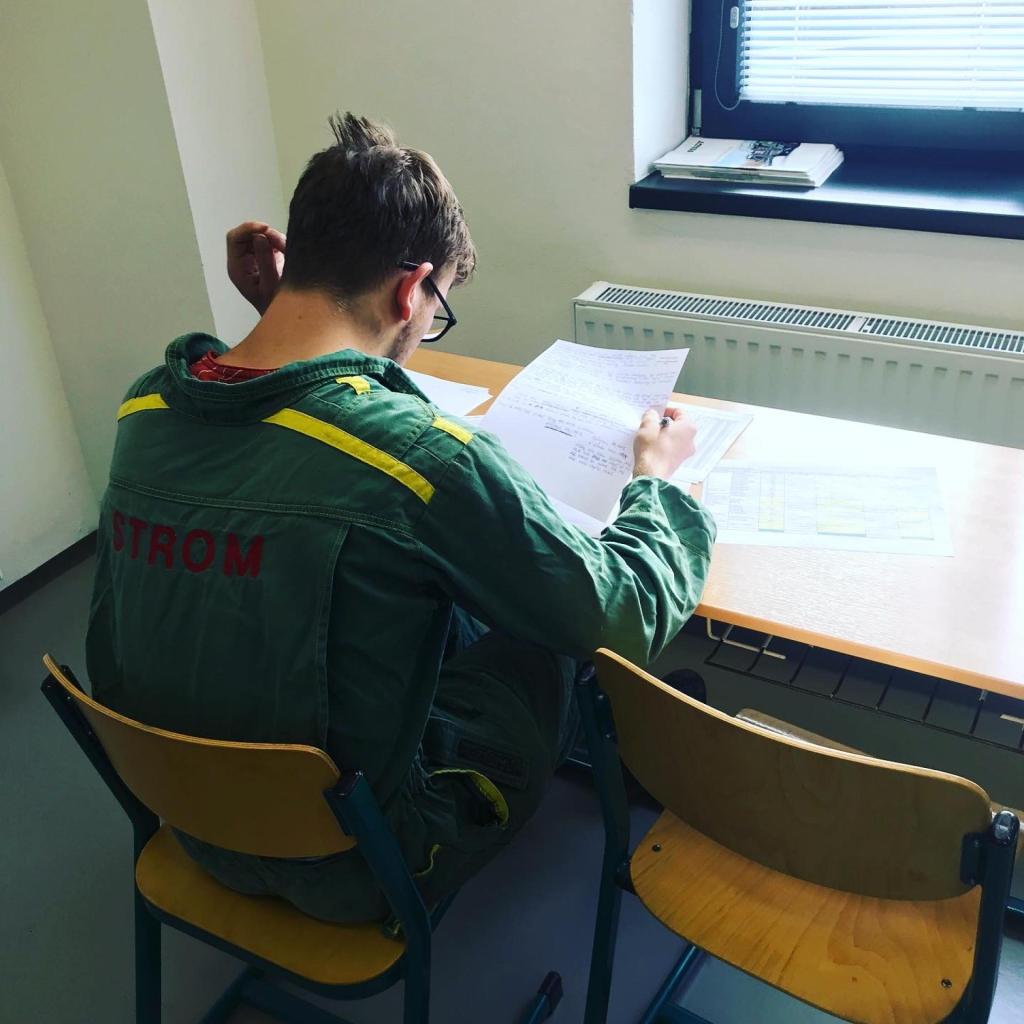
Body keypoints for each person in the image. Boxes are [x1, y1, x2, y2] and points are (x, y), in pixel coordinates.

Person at [86, 112, 716, 924]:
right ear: (410, 289)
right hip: (363, 858)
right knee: (550, 625)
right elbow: (617, 614)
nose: (425, 327)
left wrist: (278, 313)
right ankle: (629, 749)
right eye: (435, 309)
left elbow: (276, 451)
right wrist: (658, 481)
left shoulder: (145, 407)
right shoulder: (421, 458)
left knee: (397, 566)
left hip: (188, 821)